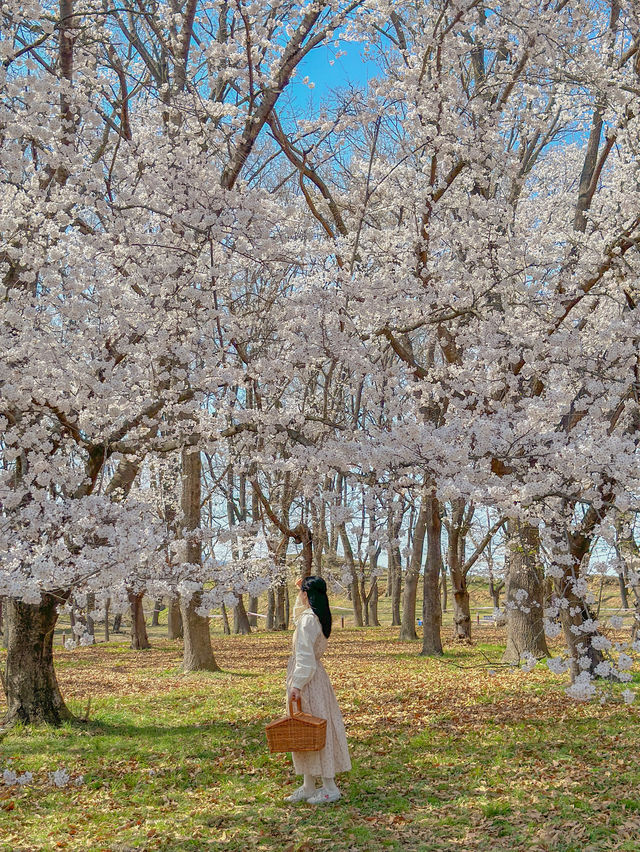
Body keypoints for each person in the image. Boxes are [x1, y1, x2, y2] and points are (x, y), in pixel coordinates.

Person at [284, 575, 351, 805]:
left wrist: (296, 685)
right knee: (307, 731)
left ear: (306, 595)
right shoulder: (317, 617)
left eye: (302, 593)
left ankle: (329, 786)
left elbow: (305, 657)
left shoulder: (308, 621)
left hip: (308, 681)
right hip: (317, 679)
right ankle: (309, 784)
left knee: (313, 730)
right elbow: (296, 618)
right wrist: (299, 590)